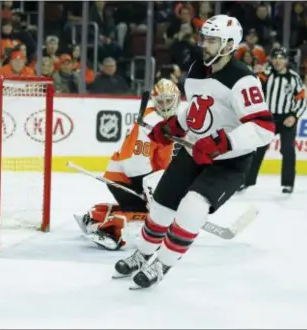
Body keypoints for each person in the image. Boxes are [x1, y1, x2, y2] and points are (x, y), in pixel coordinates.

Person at [113, 15, 275, 289]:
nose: (205, 45)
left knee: (192, 207)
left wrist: (221, 144)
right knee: (162, 206)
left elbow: (263, 128)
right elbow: (198, 109)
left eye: (212, 40)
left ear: (228, 44)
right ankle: (143, 254)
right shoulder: (197, 70)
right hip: (194, 152)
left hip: (228, 163)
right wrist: (173, 126)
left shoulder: (243, 80)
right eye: (205, 39)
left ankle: (162, 264)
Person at [74, 79, 181, 251]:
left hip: (125, 175)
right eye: (161, 101)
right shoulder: (152, 121)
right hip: (126, 177)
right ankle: (107, 229)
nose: (166, 105)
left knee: (147, 209)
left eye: (169, 100)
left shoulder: (167, 123)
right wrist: (151, 191)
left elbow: (161, 161)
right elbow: (135, 163)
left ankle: (95, 215)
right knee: (151, 215)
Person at [241, 47, 307, 194]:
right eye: (275, 57)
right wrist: (255, 72)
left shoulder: (294, 77)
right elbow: (252, 87)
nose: (278, 61)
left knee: (288, 150)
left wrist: (294, 116)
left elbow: (301, 100)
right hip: (268, 118)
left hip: (287, 118)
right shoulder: (266, 74)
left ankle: (288, 183)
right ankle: (246, 181)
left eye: (281, 58)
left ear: (286, 60)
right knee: (257, 149)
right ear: (271, 59)